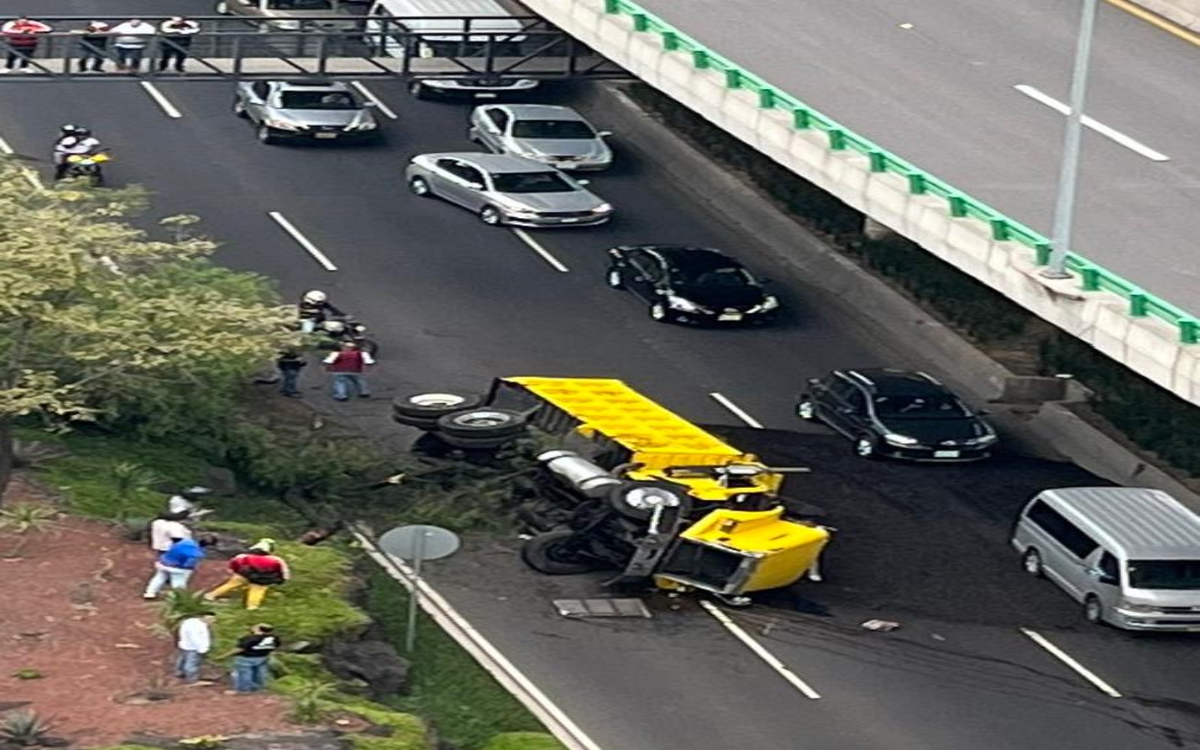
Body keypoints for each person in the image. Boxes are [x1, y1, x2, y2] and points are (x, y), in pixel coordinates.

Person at [205, 539, 290, 610]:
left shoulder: (243, 556)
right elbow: (283, 570)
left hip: (243, 574)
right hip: (263, 578)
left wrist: (236, 571)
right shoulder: (275, 559)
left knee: (230, 585)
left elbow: (234, 563)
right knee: (257, 592)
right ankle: (252, 607)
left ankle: (211, 595)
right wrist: (282, 579)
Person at [143, 535, 214, 599]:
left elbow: (171, 548)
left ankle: (150, 593)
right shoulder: (197, 553)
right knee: (178, 582)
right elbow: (189, 564)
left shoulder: (184, 541)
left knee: (159, 578)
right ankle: (177, 598)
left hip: (163, 562)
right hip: (177, 568)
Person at [221, 623, 281, 694]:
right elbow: (276, 645)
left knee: (244, 673)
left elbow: (240, 648)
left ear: (258, 629)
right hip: (262, 657)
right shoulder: (273, 638)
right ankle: (257, 688)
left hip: (246, 658)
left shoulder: (250, 638)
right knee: (259, 674)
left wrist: (224, 656)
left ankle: (243, 689)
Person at [176, 611, 216, 685]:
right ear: (203, 617)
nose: (213, 621)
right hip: (193, 647)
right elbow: (195, 638)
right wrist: (202, 649)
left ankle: (180, 673)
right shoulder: (197, 626)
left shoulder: (190, 623)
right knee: (191, 663)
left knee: (183, 660)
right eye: (210, 619)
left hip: (185, 645)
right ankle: (192, 679)